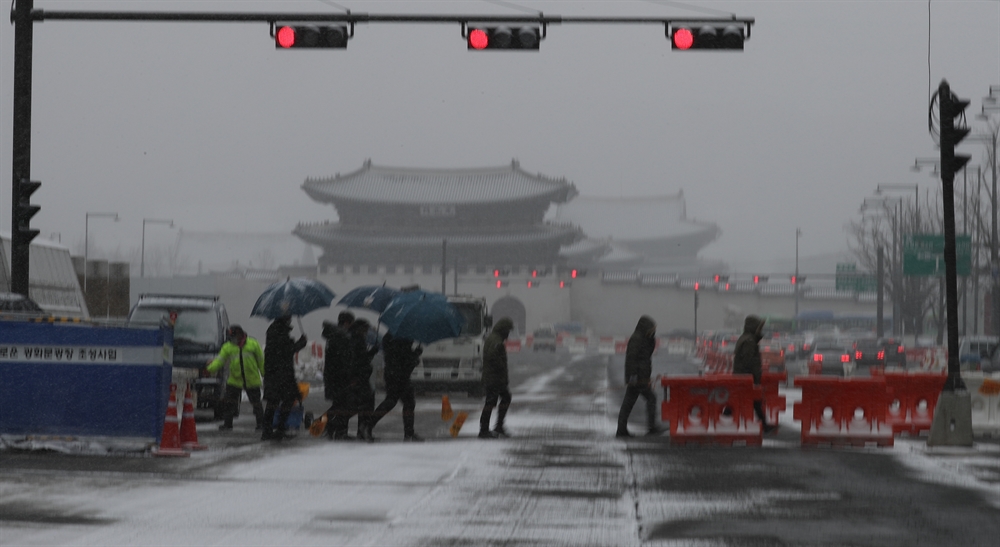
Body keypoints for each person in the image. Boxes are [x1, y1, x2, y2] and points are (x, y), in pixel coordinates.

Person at [206, 325, 265, 432]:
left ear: (239, 334)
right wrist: (210, 368)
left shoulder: (253, 344)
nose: (231, 340)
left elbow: (261, 361)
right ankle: (228, 424)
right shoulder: (228, 347)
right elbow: (220, 360)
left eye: (233, 337)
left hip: (251, 379)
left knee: (256, 403)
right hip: (235, 379)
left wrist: (265, 373)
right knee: (229, 403)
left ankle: (261, 424)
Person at [366, 332, 424, 441]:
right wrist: (415, 354)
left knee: (393, 401)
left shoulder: (390, 337)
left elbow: (397, 356)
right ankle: (408, 433)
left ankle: (369, 425)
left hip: (392, 373)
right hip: (400, 375)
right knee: (405, 402)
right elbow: (404, 357)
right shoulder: (403, 337)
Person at [261, 315, 308, 441]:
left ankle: (268, 430)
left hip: (273, 374)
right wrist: (300, 343)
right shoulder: (280, 333)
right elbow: (286, 351)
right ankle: (279, 429)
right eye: (289, 318)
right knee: (286, 400)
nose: (291, 320)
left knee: (273, 402)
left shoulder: (273, 332)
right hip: (282, 374)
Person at [616, 315, 663, 438]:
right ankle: (651, 427)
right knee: (650, 398)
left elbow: (646, 357)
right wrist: (633, 377)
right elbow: (632, 359)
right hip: (637, 378)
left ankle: (621, 429)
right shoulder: (637, 339)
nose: (653, 331)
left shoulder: (645, 339)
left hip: (641, 377)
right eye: (652, 328)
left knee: (628, 403)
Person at [733, 314, 777, 434]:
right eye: (759, 327)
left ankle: (764, 424)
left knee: (743, 401)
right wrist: (753, 376)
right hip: (746, 378)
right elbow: (749, 361)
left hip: (743, 377)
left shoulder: (746, 338)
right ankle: (764, 425)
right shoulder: (750, 341)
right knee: (751, 401)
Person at [321, 311, 355, 440]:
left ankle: (327, 428)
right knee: (343, 405)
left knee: (338, 405)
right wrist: (349, 375)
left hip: (333, 376)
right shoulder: (341, 337)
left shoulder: (333, 336)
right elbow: (344, 360)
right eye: (351, 323)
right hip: (340, 377)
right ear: (346, 323)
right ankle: (339, 431)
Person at [479, 317, 515, 439]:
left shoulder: (494, 338)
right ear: (503, 330)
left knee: (501, 399)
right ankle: (485, 429)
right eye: (508, 331)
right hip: (494, 378)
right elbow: (492, 356)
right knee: (492, 402)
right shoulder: (496, 340)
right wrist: (500, 367)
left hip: (495, 378)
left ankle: (495, 426)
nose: (508, 334)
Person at [345, 318, 380, 442]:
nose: (366, 331)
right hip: (359, 377)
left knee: (361, 404)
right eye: (365, 329)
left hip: (358, 376)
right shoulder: (358, 341)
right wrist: (371, 353)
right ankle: (363, 430)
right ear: (360, 329)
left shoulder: (354, 340)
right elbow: (360, 360)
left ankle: (360, 430)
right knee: (366, 404)